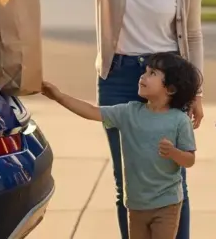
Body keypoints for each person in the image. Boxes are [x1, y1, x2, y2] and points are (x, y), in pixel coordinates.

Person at [0, 0, 204, 239]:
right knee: (128, 182)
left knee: (172, 177)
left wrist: (196, 92)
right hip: (118, 79)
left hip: (167, 83)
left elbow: (193, 37)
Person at [39, 52, 200, 239]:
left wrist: (173, 152)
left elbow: (189, 160)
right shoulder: (128, 112)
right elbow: (92, 112)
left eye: (152, 73)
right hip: (136, 204)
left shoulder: (179, 121)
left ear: (170, 89)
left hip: (167, 203)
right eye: (145, 71)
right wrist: (59, 97)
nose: (143, 76)